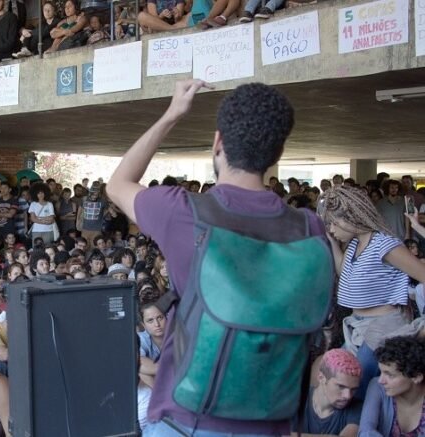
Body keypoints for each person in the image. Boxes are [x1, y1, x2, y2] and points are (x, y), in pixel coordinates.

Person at [107, 80, 333, 435]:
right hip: (271, 422)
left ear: (218, 143)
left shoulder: (182, 212)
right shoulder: (309, 228)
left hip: (188, 421)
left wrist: (172, 114)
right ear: (277, 154)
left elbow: (118, 183)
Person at [321, 186, 425, 398]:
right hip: (358, 324)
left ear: (350, 217)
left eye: (333, 223)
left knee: (355, 383)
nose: (331, 229)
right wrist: (333, 243)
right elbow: (345, 272)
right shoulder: (354, 244)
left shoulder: (384, 244)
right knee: (339, 375)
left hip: (384, 325)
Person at [359, 336, 425, 436]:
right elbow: (366, 431)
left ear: (416, 377)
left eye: (390, 375)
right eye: (381, 372)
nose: (381, 381)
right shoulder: (377, 387)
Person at [294, 348, 362, 436]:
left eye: (353, 389)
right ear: (321, 378)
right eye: (341, 386)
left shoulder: (357, 408)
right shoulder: (294, 398)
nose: (348, 396)